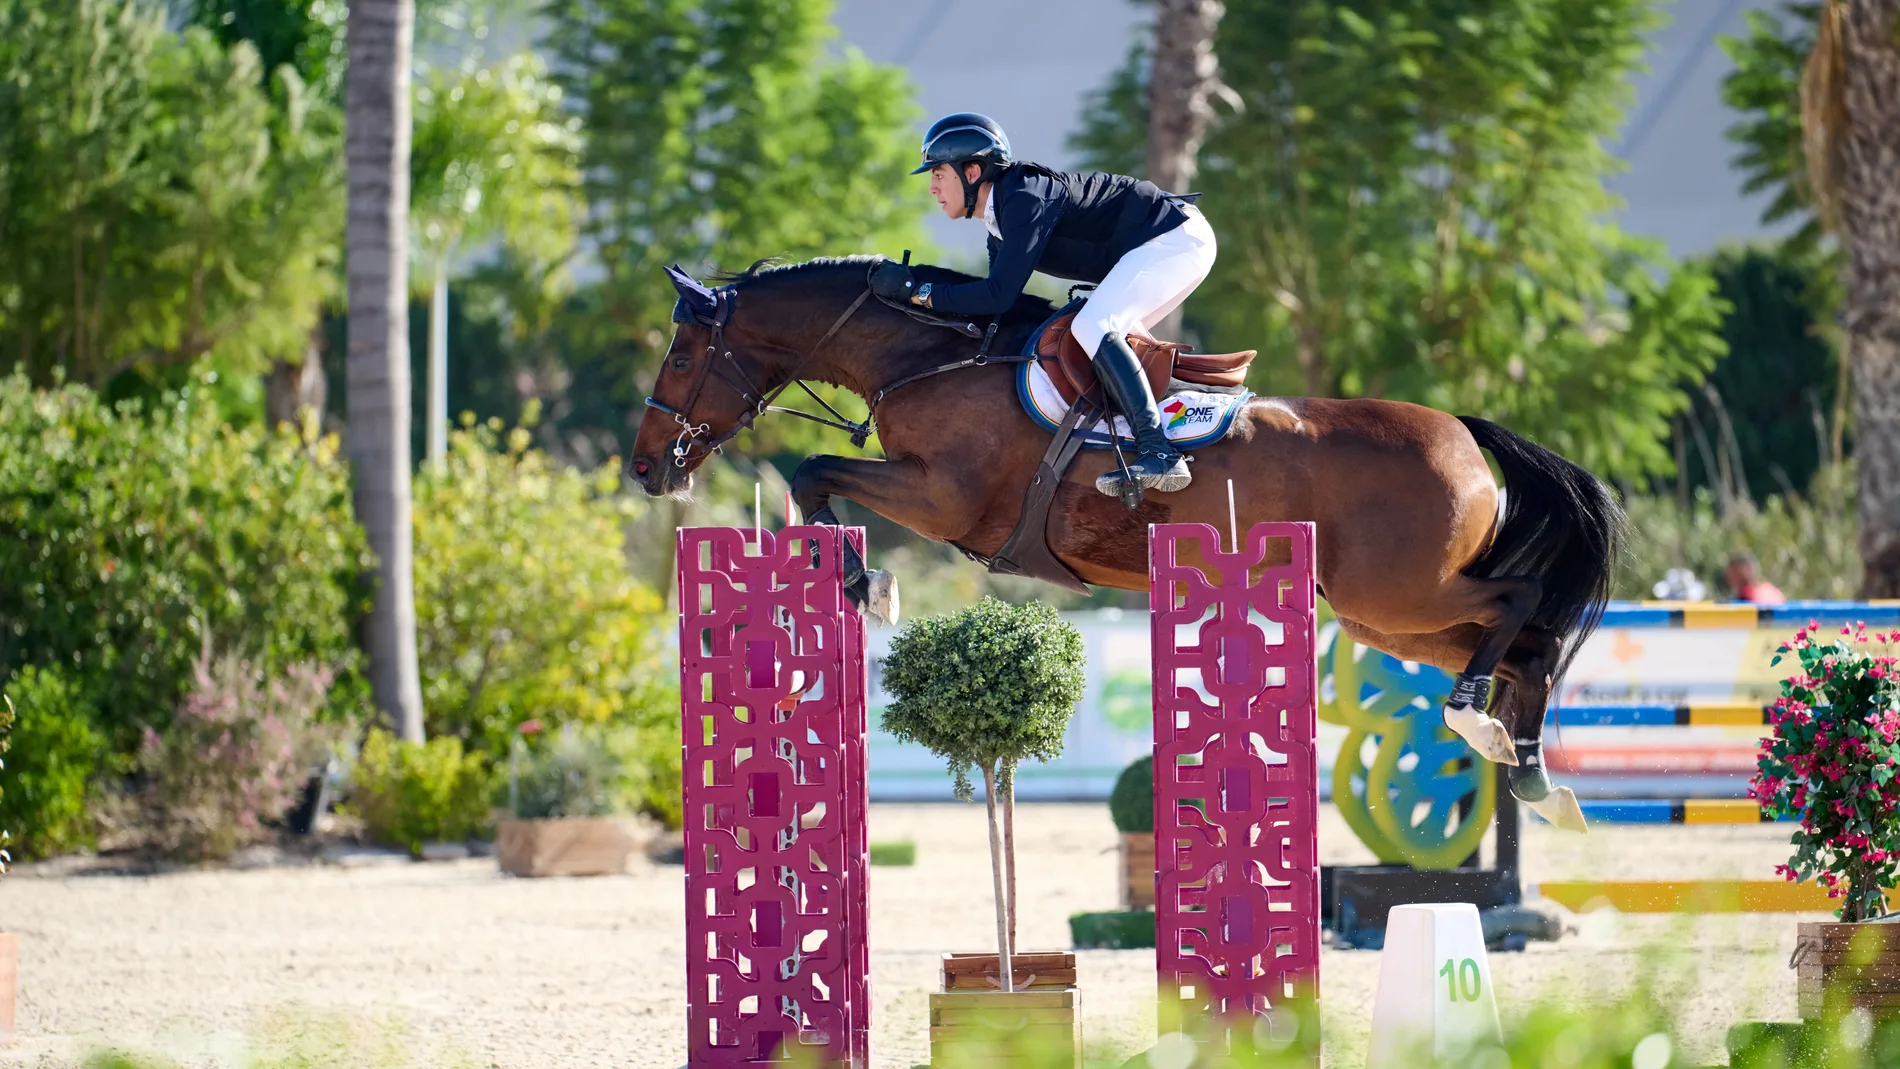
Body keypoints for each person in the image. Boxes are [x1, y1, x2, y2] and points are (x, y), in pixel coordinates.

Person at [868, 113, 1217, 497]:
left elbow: (997, 295)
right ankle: (1162, 437)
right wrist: (917, 296)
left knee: (1092, 326)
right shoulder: (1000, 220)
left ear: (971, 172)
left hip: (1174, 237)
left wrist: (921, 292)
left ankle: (1159, 452)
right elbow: (995, 304)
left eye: (938, 174)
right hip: (1168, 243)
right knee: (1101, 342)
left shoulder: (1024, 197)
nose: (932, 188)